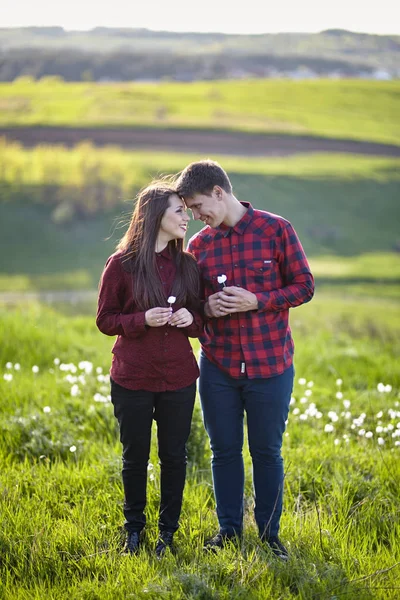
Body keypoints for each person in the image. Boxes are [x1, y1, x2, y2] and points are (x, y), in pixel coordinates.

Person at [175, 160, 314, 559]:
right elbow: (192, 306)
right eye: (191, 210)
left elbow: (305, 286)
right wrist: (208, 308)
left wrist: (259, 300)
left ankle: (270, 537)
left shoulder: (276, 229)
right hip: (217, 365)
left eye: (200, 206)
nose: (197, 216)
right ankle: (229, 532)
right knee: (223, 451)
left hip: (270, 365)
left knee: (267, 452)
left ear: (220, 192)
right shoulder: (199, 247)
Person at [96, 181, 203, 558]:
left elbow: (202, 321)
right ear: (156, 215)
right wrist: (142, 319)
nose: (186, 217)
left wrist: (191, 317)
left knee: (174, 456)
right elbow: (105, 320)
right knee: (134, 456)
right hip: (132, 378)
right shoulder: (121, 264)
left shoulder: (188, 265)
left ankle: (167, 535)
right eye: (178, 210)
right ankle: (134, 532)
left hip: (179, 378)